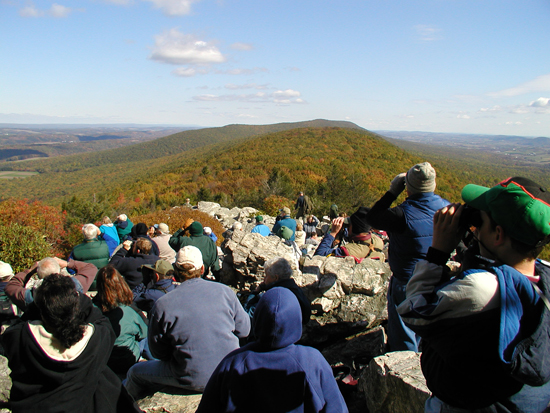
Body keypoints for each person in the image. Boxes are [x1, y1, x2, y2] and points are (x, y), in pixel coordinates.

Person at [398, 177, 550, 412]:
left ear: (498, 235)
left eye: (480, 219)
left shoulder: (482, 288)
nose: (474, 225)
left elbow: (413, 311)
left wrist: (438, 252)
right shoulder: (543, 279)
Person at [123, 246, 250, 400]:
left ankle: (123, 406)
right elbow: (244, 330)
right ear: (202, 268)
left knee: (135, 372)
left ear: (175, 271)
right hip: (229, 370)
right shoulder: (225, 292)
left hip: (192, 377)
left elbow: (157, 352)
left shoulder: (163, 303)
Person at [2, 273, 140, 412]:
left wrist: (40, 303)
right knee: (104, 378)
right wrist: (76, 298)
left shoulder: (19, 337)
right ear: (76, 307)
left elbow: (15, 327)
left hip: (31, 408)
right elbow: (99, 319)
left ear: (40, 309)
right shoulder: (98, 338)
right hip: (81, 407)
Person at [196, 287, 348, 413]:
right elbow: (337, 408)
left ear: (257, 318)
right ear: (297, 320)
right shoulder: (312, 361)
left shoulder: (233, 362)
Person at [364, 162, 449, 351]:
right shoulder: (447, 209)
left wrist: (393, 191)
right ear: (433, 185)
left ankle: (403, 373)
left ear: (407, 187)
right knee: (429, 335)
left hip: (407, 282)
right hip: (439, 281)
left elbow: (372, 218)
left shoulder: (402, 215)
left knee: (405, 337)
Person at [92, 265, 147, 376]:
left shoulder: (92, 310)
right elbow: (144, 332)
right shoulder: (129, 310)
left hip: (104, 361)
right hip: (127, 359)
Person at [5, 257, 97, 312]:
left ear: (39, 275)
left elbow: (10, 287)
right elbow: (91, 268)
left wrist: (28, 271)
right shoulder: (74, 286)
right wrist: (67, 263)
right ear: (59, 271)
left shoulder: (32, 296)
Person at [243, 257, 311, 324]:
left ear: (276, 277)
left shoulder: (270, 297)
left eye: (266, 276)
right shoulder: (297, 290)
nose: (264, 279)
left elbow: (247, 316)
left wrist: (255, 292)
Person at [315, 208, 385, 263]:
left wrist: (333, 233)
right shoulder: (378, 241)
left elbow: (319, 256)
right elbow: (363, 236)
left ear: (354, 228)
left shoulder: (349, 251)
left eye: (349, 225)